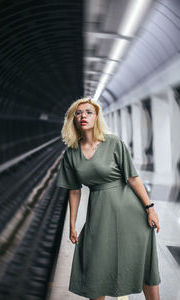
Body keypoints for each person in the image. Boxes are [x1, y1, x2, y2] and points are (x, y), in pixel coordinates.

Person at [56, 97, 161, 300]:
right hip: (99, 213)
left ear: (96, 117)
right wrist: (72, 224)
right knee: (96, 266)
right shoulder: (71, 153)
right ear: (73, 119)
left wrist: (150, 208)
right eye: (78, 113)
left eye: (88, 112)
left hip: (131, 213)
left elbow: (133, 178)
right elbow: (74, 190)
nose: (83, 116)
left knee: (143, 263)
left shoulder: (113, 142)